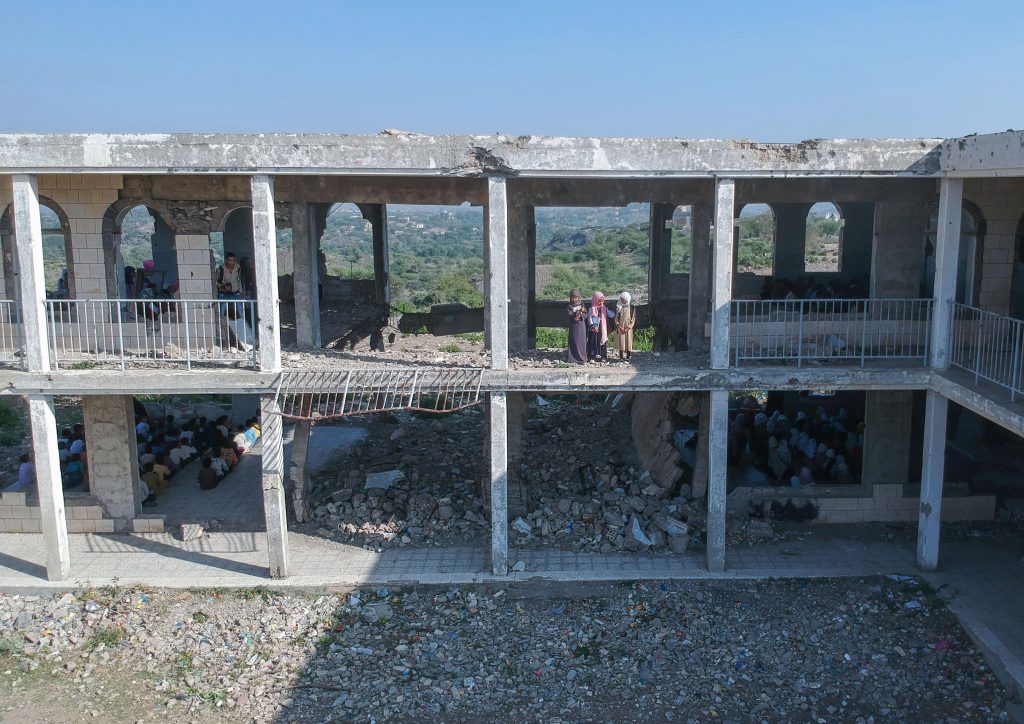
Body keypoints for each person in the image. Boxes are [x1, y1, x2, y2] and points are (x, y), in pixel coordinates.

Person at [587, 291, 611, 362]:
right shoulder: (591, 309)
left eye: (602, 301)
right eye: (599, 301)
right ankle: (592, 355)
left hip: (602, 328)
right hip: (594, 329)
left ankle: (603, 355)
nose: (600, 303)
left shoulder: (604, 308)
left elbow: (610, 314)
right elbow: (590, 318)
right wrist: (593, 326)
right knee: (592, 341)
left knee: (603, 342)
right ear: (595, 300)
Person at [566, 289, 587, 365]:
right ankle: (572, 358)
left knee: (581, 342)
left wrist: (581, 315)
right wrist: (574, 315)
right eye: (572, 297)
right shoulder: (570, 306)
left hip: (581, 326)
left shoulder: (582, 304)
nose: (574, 299)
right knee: (574, 341)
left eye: (575, 297)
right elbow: (569, 314)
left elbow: (585, 314)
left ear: (578, 297)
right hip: (573, 326)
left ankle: (582, 358)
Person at [614, 291, 635, 361]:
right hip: (620, 328)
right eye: (621, 299)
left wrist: (628, 327)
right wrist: (619, 326)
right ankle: (621, 356)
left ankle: (628, 356)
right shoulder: (619, 308)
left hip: (628, 328)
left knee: (628, 341)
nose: (622, 301)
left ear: (628, 299)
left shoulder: (631, 308)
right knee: (621, 341)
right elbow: (616, 319)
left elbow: (633, 319)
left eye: (624, 299)